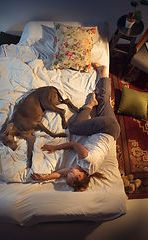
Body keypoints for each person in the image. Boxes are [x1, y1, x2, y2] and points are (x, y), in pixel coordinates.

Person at [30, 63, 120, 191]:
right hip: (104, 128)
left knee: (104, 99)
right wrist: (55, 147)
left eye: (69, 173)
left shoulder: (86, 169)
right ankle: (90, 105)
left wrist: (44, 178)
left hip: (113, 131)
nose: (70, 170)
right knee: (73, 128)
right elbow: (74, 145)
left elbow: (61, 173)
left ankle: (102, 72)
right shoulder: (87, 161)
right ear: (80, 175)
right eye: (71, 173)